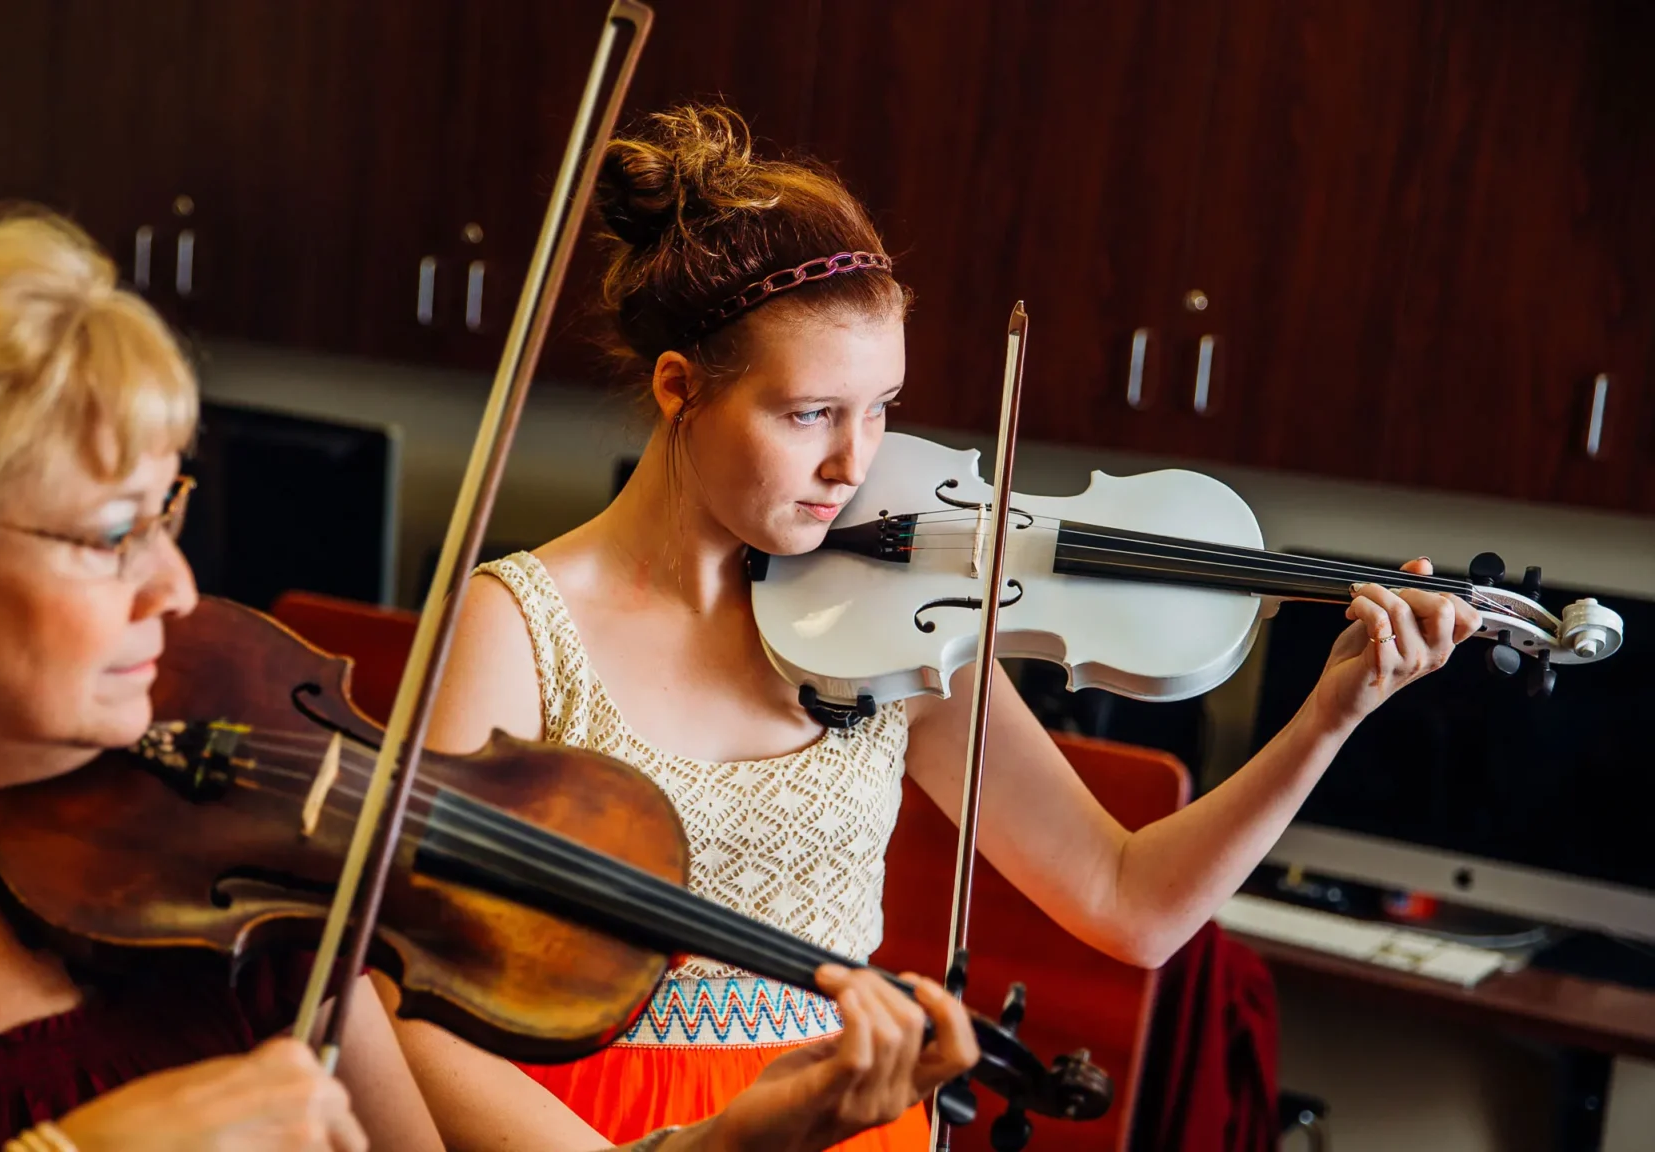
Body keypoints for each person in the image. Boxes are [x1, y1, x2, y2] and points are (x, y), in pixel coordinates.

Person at [0, 213, 981, 1152]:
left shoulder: (242, 890)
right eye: (108, 536)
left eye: (170, 511)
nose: (179, 590)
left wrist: (748, 1137)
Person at [392, 104, 1485, 1151]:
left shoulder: (893, 634)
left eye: (880, 410)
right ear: (680, 388)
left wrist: (1326, 719)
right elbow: (410, 1014)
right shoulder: (514, 628)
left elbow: (1130, 901)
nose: (853, 463)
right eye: (808, 412)